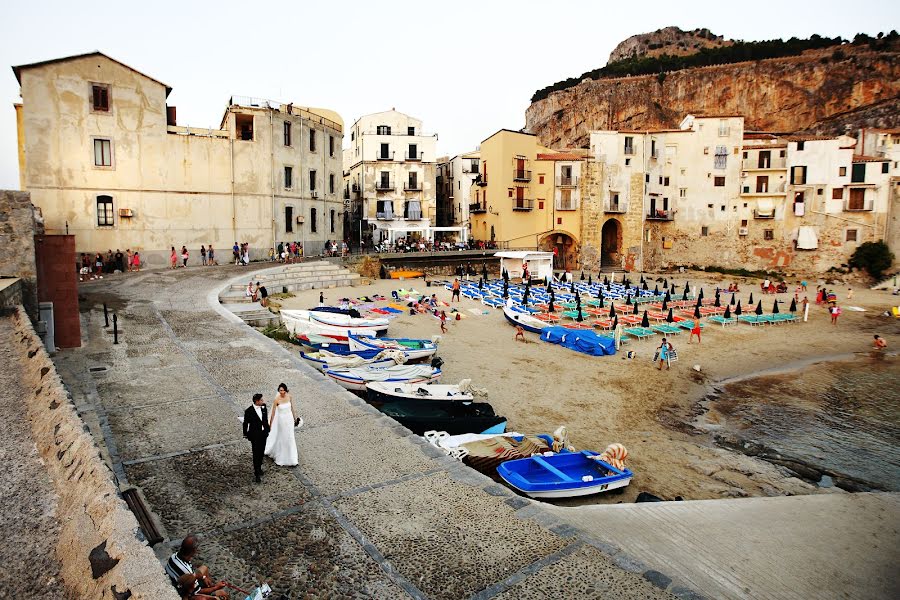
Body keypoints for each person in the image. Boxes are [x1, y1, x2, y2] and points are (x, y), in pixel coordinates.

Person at [165, 535, 229, 599]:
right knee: (223, 594)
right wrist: (216, 588)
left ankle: (210, 586)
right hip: (186, 592)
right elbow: (198, 591)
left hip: (182, 581)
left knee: (204, 568)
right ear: (194, 550)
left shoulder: (175, 555)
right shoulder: (187, 571)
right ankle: (212, 589)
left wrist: (204, 577)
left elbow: (194, 572)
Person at [264, 383, 299, 467]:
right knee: (283, 437)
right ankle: (282, 457)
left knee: (290, 437)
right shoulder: (276, 400)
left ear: (285, 390)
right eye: (280, 390)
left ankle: (292, 458)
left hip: (289, 420)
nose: (281, 392)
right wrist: (270, 425)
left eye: (283, 390)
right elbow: (273, 413)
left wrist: (295, 419)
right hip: (281, 421)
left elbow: (292, 409)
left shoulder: (289, 397)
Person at [243, 393, 270, 483]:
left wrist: (267, 429)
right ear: (257, 401)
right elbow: (245, 423)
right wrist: (246, 434)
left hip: (263, 434)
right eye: (261, 400)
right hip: (255, 436)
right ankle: (257, 473)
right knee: (256, 454)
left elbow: (265, 419)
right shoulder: (249, 411)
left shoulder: (264, 407)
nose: (263, 401)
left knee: (261, 452)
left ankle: (259, 467)